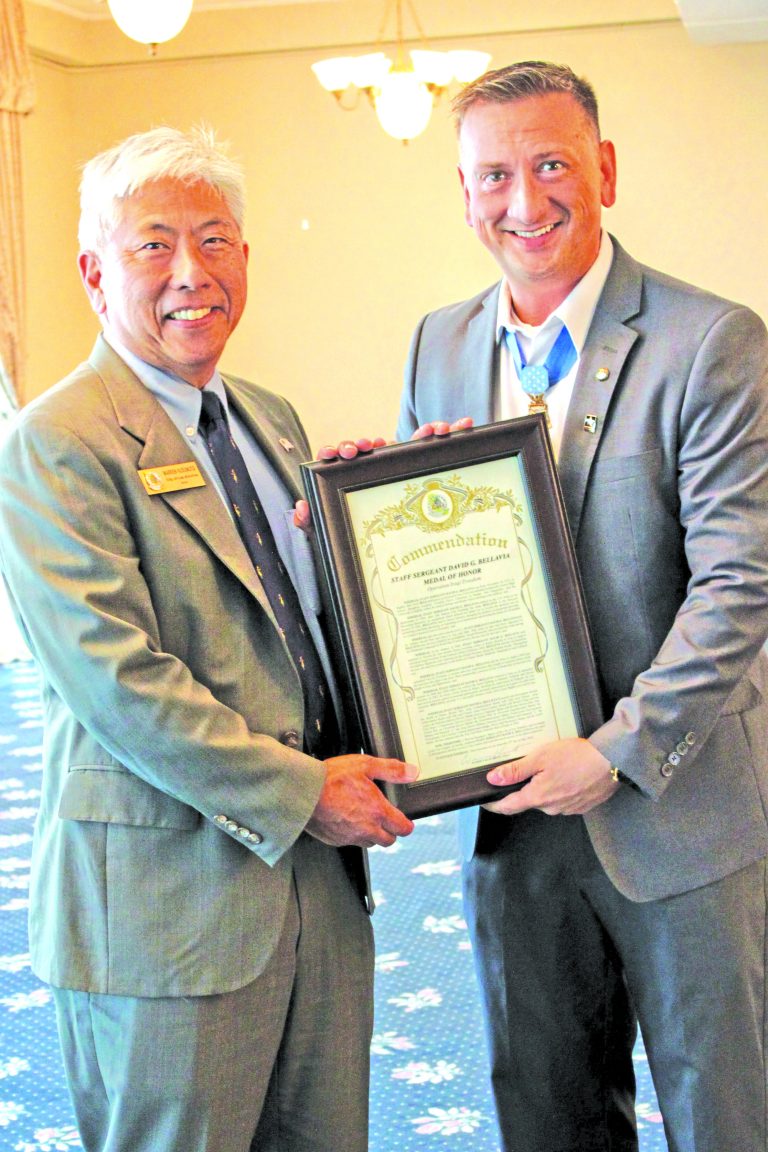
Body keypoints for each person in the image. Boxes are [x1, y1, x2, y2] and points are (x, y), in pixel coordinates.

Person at [0, 125, 418, 1152]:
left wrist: (373, 537)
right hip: (165, 914)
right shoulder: (58, 443)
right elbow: (117, 681)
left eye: (217, 240)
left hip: (317, 900)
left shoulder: (270, 420)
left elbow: (297, 629)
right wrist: (303, 792)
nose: (193, 273)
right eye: (156, 245)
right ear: (97, 271)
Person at [394, 61, 768, 1152]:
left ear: (604, 167)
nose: (525, 200)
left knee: (724, 1118)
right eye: (493, 175)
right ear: (464, 195)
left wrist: (611, 751)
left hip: (678, 809)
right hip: (512, 814)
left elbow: (741, 587)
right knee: (546, 1114)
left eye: (552, 164)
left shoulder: (713, 342)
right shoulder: (441, 343)